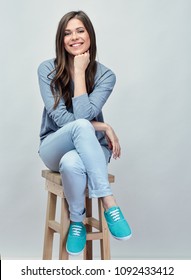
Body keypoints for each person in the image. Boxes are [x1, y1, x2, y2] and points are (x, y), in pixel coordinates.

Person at [38, 10, 132, 256]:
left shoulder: (105, 76)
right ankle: (109, 201)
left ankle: (77, 222)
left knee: (72, 163)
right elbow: (65, 120)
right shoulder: (47, 70)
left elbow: (81, 116)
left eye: (80, 30)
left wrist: (80, 71)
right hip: (53, 145)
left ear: (90, 35)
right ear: (61, 40)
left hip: (90, 150)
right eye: (67, 33)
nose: (74, 37)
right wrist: (103, 126)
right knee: (78, 130)